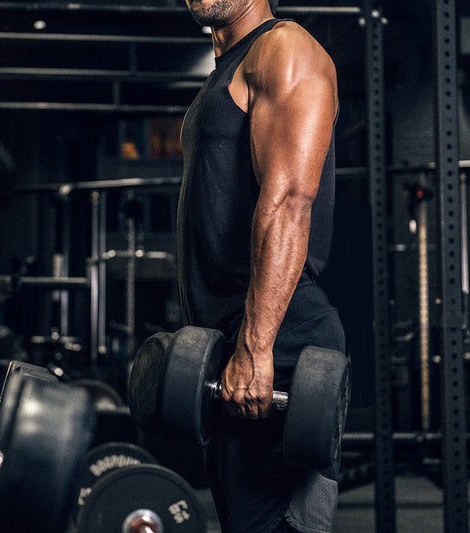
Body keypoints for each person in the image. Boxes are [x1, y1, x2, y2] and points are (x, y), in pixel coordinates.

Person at [176, 0, 347, 532]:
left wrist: (256, 347)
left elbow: (290, 202)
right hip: (232, 345)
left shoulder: (283, 49)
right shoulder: (223, 75)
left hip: (278, 342)